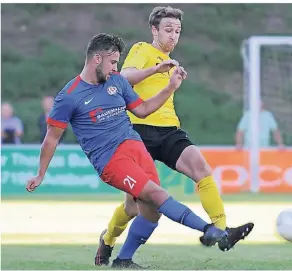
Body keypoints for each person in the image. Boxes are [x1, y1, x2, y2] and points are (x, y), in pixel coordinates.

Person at [25, 33, 229, 269]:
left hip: (135, 147)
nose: (115, 68)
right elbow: (51, 139)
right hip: (111, 160)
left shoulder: (117, 82)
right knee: (156, 194)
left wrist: (170, 87)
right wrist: (40, 173)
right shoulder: (69, 97)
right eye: (113, 63)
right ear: (96, 59)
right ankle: (207, 228)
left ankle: (123, 259)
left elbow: (142, 110)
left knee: (152, 212)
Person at [95, 6, 254, 266]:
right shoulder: (142, 50)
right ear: (154, 30)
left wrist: (171, 80)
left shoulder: (173, 64)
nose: (173, 36)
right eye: (168, 30)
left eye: (178, 31)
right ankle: (109, 239)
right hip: (137, 132)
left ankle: (222, 231)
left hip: (169, 130)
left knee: (202, 169)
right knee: (134, 207)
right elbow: (125, 78)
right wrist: (156, 69)